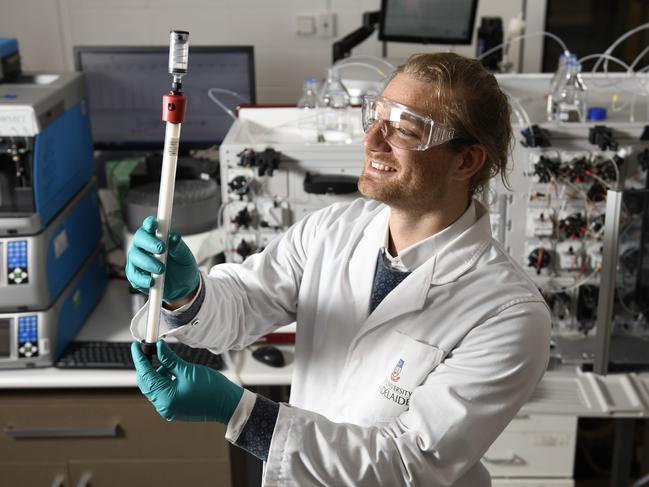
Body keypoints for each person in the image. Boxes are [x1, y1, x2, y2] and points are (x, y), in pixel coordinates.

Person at [126, 52, 551, 486]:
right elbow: (244, 304)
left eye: (404, 129)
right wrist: (186, 293)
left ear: (466, 162)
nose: (373, 141)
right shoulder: (332, 231)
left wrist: (238, 412)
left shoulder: (509, 314)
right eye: (376, 116)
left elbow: (407, 467)